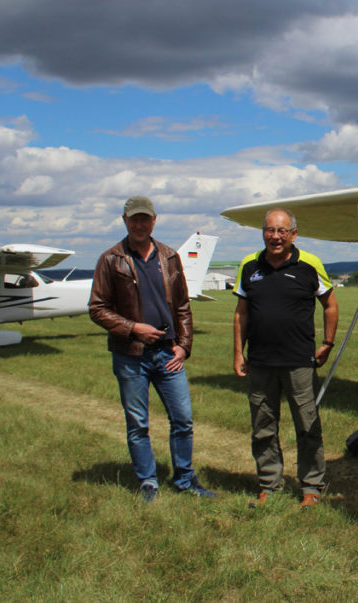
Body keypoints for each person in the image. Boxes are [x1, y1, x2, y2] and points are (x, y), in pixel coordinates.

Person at [88, 195, 216, 503]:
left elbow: (183, 306)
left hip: (167, 353)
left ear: (154, 220)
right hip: (130, 356)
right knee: (138, 423)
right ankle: (148, 482)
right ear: (125, 221)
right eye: (134, 219)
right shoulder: (110, 259)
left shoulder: (170, 256)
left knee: (183, 419)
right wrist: (133, 328)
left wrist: (184, 346)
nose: (140, 224)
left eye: (145, 218)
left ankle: (185, 479)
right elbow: (97, 308)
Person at [233, 208, 339, 508]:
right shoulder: (249, 265)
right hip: (261, 361)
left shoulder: (309, 264)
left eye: (282, 231)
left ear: (294, 234)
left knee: (307, 425)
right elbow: (241, 313)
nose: (275, 237)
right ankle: (269, 484)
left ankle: (311, 487)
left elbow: (330, 305)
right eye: (270, 230)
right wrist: (238, 352)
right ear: (263, 233)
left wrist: (328, 342)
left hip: (299, 361)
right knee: (263, 426)